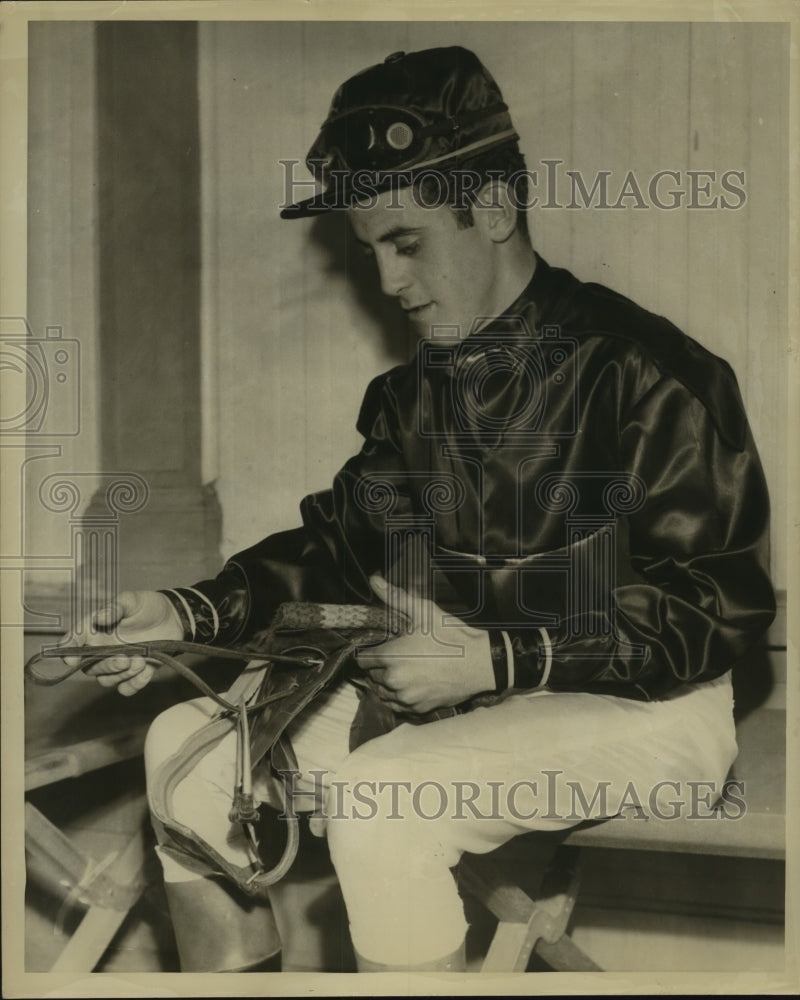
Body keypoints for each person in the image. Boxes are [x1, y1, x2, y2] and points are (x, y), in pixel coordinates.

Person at [62, 46, 775, 973]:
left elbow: (711, 612)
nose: (391, 282)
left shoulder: (650, 372)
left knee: (378, 802)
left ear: (492, 208)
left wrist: (497, 656)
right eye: (372, 254)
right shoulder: (419, 392)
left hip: (654, 708)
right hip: (470, 695)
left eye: (406, 242)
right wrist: (187, 610)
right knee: (188, 755)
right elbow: (339, 542)